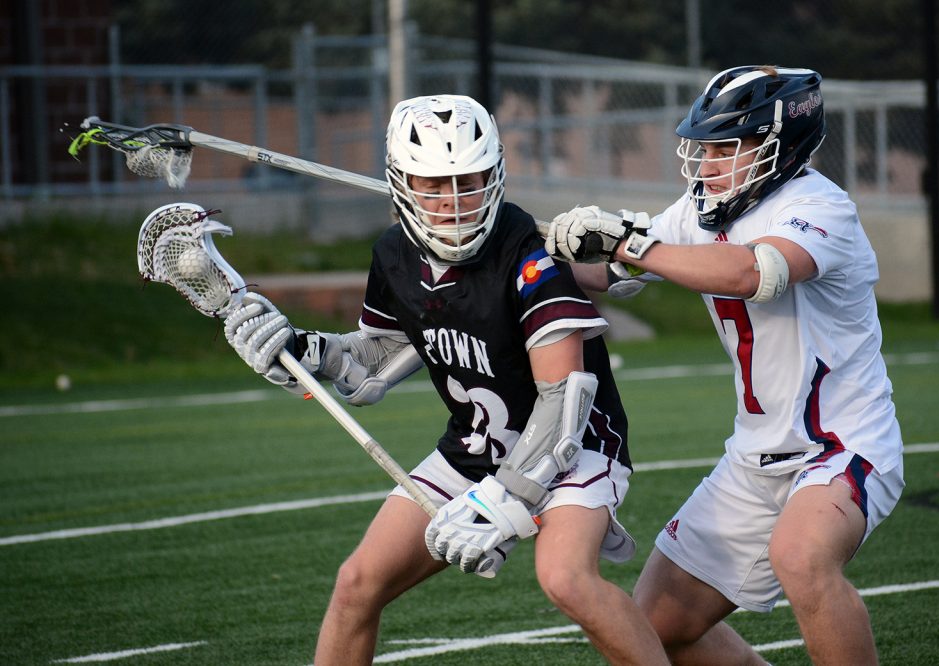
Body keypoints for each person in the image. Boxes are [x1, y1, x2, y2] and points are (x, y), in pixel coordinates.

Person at [223, 94, 669, 665]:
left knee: (565, 579)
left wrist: (505, 496)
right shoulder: (393, 255)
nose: (454, 202)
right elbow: (376, 360)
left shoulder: (531, 255)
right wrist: (306, 351)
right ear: (401, 183)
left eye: (470, 180)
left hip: (577, 445)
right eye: (434, 184)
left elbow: (567, 399)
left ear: (497, 174)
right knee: (357, 584)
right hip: (476, 447)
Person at [543, 66, 905, 665]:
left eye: (724, 147)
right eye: (703, 147)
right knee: (656, 626)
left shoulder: (820, 206)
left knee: (801, 557)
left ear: (779, 144)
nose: (706, 162)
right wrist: (539, 249)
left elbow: (753, 273)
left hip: (841, 446)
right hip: (753, 460)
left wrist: (630, 244)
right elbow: (607, 274)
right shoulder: (699, 209)